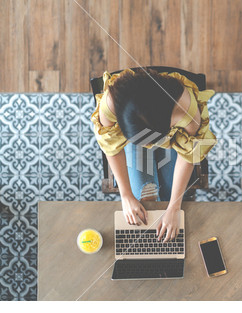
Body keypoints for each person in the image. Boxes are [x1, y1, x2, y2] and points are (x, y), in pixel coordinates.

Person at [90, 68, 217, 242]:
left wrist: (173, 207)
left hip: (174, 139)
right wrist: (126, 194)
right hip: (132, 140)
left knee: (166, 197)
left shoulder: (186, 110)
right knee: (146, 200)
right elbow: (112, 147)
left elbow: (188, 154)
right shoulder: (112, 102)